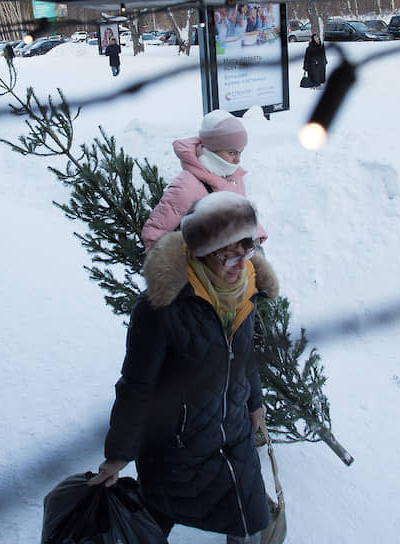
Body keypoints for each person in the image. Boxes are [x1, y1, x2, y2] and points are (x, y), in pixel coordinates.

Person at [88, 191, 280, 543]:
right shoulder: (161, 308)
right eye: (228, 254)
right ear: (203, 253)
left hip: (233, 437)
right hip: (176, 448)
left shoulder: (245, 291)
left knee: (251, 518)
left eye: (247, 251)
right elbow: (136, 387)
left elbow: (242, 356)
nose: (241, 264)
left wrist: (255, 402)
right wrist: (117, 455)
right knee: (155, 518)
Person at [141, 109, 267, 251]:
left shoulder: (233, 175)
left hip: (239, 258)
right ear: (213, 148)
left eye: (240, 152)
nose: (238, 159)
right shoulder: (187, 186)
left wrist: (256, 238)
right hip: (212, 267)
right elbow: (155, 234)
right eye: (232, 152)